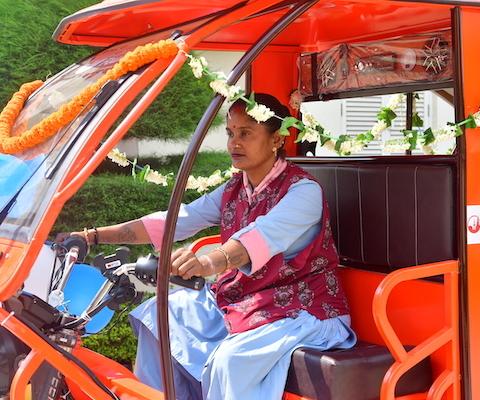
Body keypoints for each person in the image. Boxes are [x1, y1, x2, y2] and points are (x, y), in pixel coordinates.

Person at [57, 93, 356, 400]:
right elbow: (176, 220)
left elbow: (255, 239)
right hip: (248, 300)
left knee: (229, 361)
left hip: (303, 311)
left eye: (245, 133)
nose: (234, 143)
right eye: (230, 133)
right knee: (158, 317)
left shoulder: (304, 192)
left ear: (277, 139)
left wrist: (206, 263)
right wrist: (92, 236)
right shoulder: (234, 188)